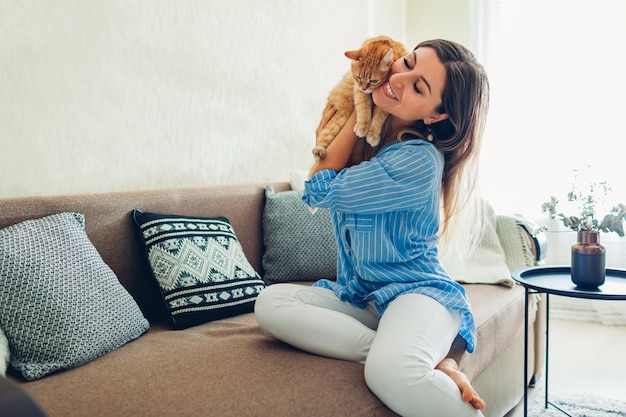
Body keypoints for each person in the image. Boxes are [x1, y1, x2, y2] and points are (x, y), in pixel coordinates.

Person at [255, 39, 489, 417]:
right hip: (363, 297)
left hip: (417, 293)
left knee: (390, 373)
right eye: (407, 63)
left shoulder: (417, 160)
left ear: (434, 116)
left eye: (418, 87)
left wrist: (356, 103)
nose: (399, 78)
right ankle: (416, 353)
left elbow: (317, 190)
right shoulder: (376, 144)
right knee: (271, 303)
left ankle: (405, 355)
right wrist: (362, 102)